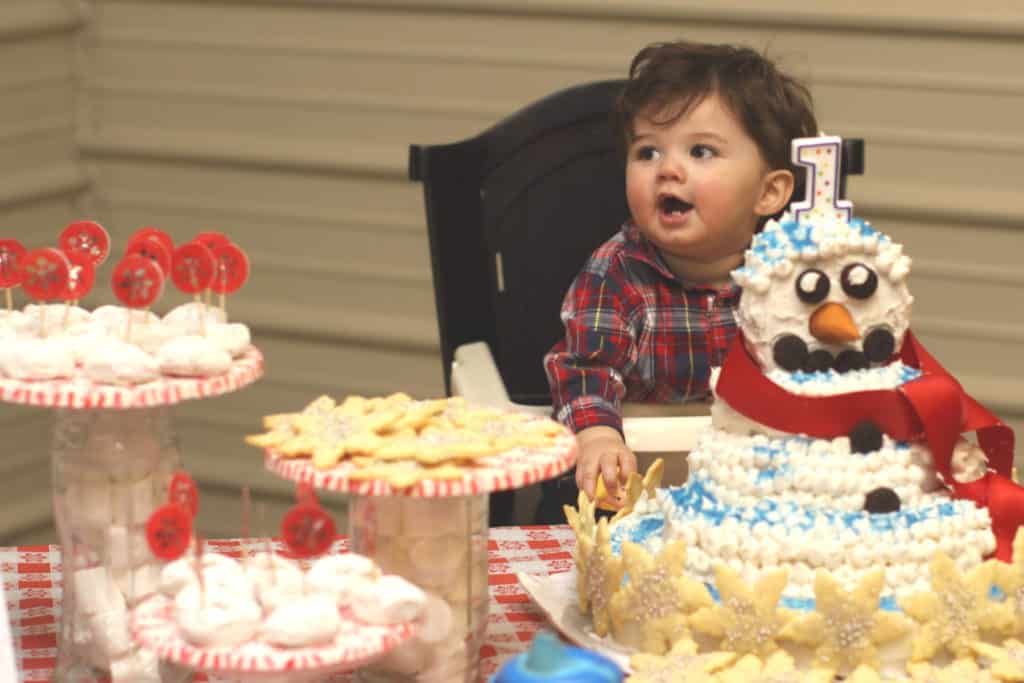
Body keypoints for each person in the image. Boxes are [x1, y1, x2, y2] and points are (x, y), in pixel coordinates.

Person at [537, 40, 818, 522]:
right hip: (637, 495)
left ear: (770, 192)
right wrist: (599, 435)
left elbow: (830, 370)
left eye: (701, 151)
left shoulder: (792, 278)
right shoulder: (616, 275)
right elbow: (586, 368)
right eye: (647, 151)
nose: (667, 168)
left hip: (761, 496)